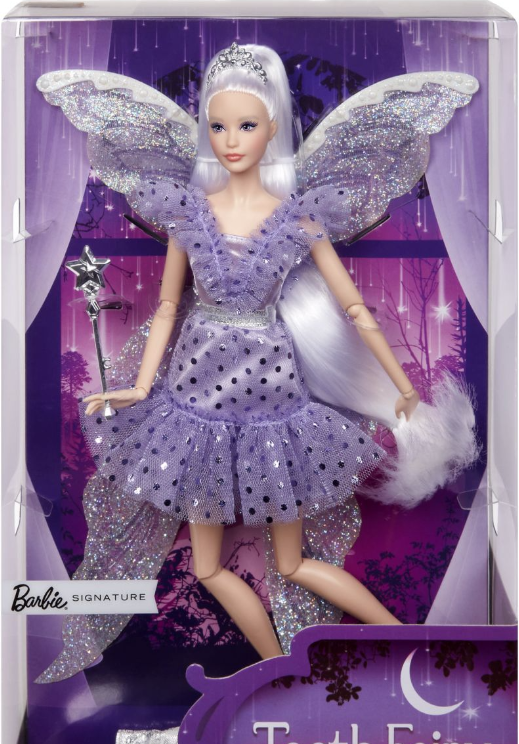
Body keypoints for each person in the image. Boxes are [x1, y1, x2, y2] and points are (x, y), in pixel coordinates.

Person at [35, 43, 479, 680]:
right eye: (218, 126)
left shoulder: (301, 216)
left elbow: (355, 309)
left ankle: (413, 643)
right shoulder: (188, 213)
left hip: (274, 404)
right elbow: (168, 308)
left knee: (292, 563)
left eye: (246, 125)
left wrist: (402, 388)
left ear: (273, 128)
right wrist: (137, 387)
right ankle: (278, 676)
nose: (230, 140)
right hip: (194, 403)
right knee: (208, 567)